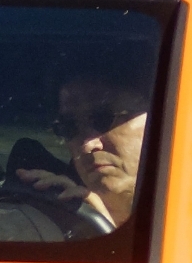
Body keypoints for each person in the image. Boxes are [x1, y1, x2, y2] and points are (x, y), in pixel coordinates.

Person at [9, 58, 152, 233]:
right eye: (68, 127)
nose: (87, 145)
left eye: (102, 119)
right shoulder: (50, 223)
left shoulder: (182, 228)